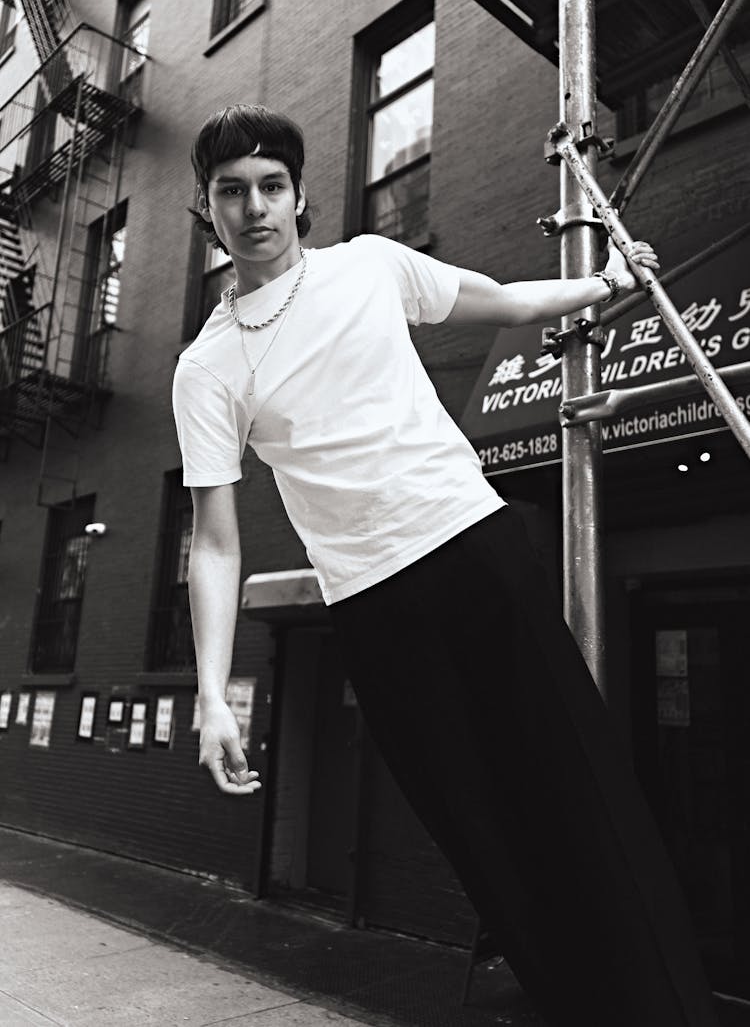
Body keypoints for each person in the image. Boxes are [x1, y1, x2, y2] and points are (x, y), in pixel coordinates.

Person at [172, 104, 719, 1027]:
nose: (255, 207)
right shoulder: (207, 367)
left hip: (472, 544)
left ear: (300, 196)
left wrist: (607, 284)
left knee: (579, 780)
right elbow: (216, 542)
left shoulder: (369, 268)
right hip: (374, 608)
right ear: (208, 212)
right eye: (232, 192)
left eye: (271, 186)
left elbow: (503, 298)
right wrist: (212, 689)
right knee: (481, 833)